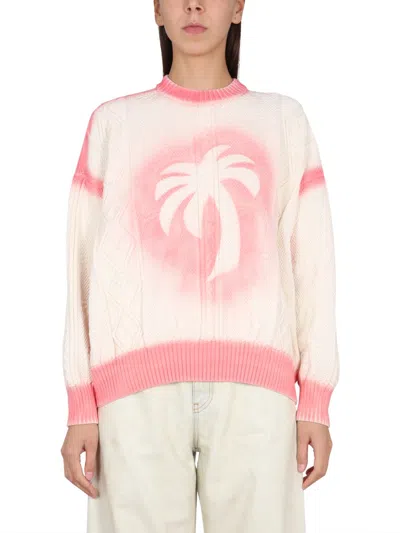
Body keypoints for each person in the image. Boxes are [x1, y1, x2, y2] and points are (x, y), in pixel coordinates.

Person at [60, 1, 339, 531]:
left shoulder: (283, 120)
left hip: (257, 391)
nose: (194, 5)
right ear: (156, 10)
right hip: (133, 391)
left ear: (238, 7)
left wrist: (316, 402)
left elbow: (314, 264)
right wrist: (80, 405)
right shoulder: (114, 123)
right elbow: (82, 263)